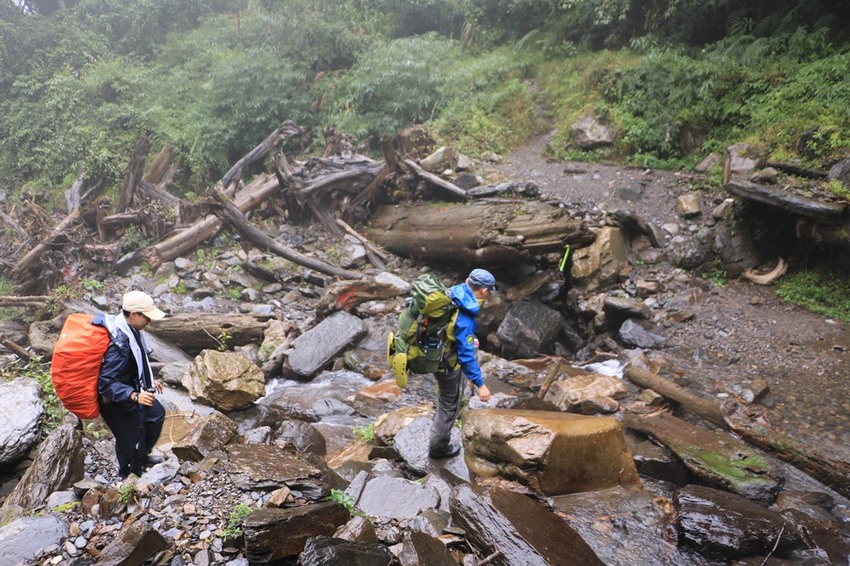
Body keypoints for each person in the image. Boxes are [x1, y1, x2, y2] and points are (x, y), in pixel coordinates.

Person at [98, 290, 167, 479]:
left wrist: (149, 380)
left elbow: (135, 363)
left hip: (132, 387)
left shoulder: (131, 331)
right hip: (116, 399)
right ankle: (128, 477)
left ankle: (141, 457)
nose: (149, 321)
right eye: (147, 317)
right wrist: (134, 396)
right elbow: (106, 383)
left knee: (156, 415)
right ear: (134, 314)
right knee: (130, 440)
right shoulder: (118, 344)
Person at [429, 268, 494, 459]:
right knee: (449, 405)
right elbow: (466, 357)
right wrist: (481, 385)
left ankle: (438, 431)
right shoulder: (465, 315)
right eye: (489, 291)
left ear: (467, 281)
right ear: (484, 291)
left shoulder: (454, 292)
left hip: (436, 354)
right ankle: (438, 449)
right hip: (448, 364)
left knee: (444, 398)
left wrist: (468, 340)